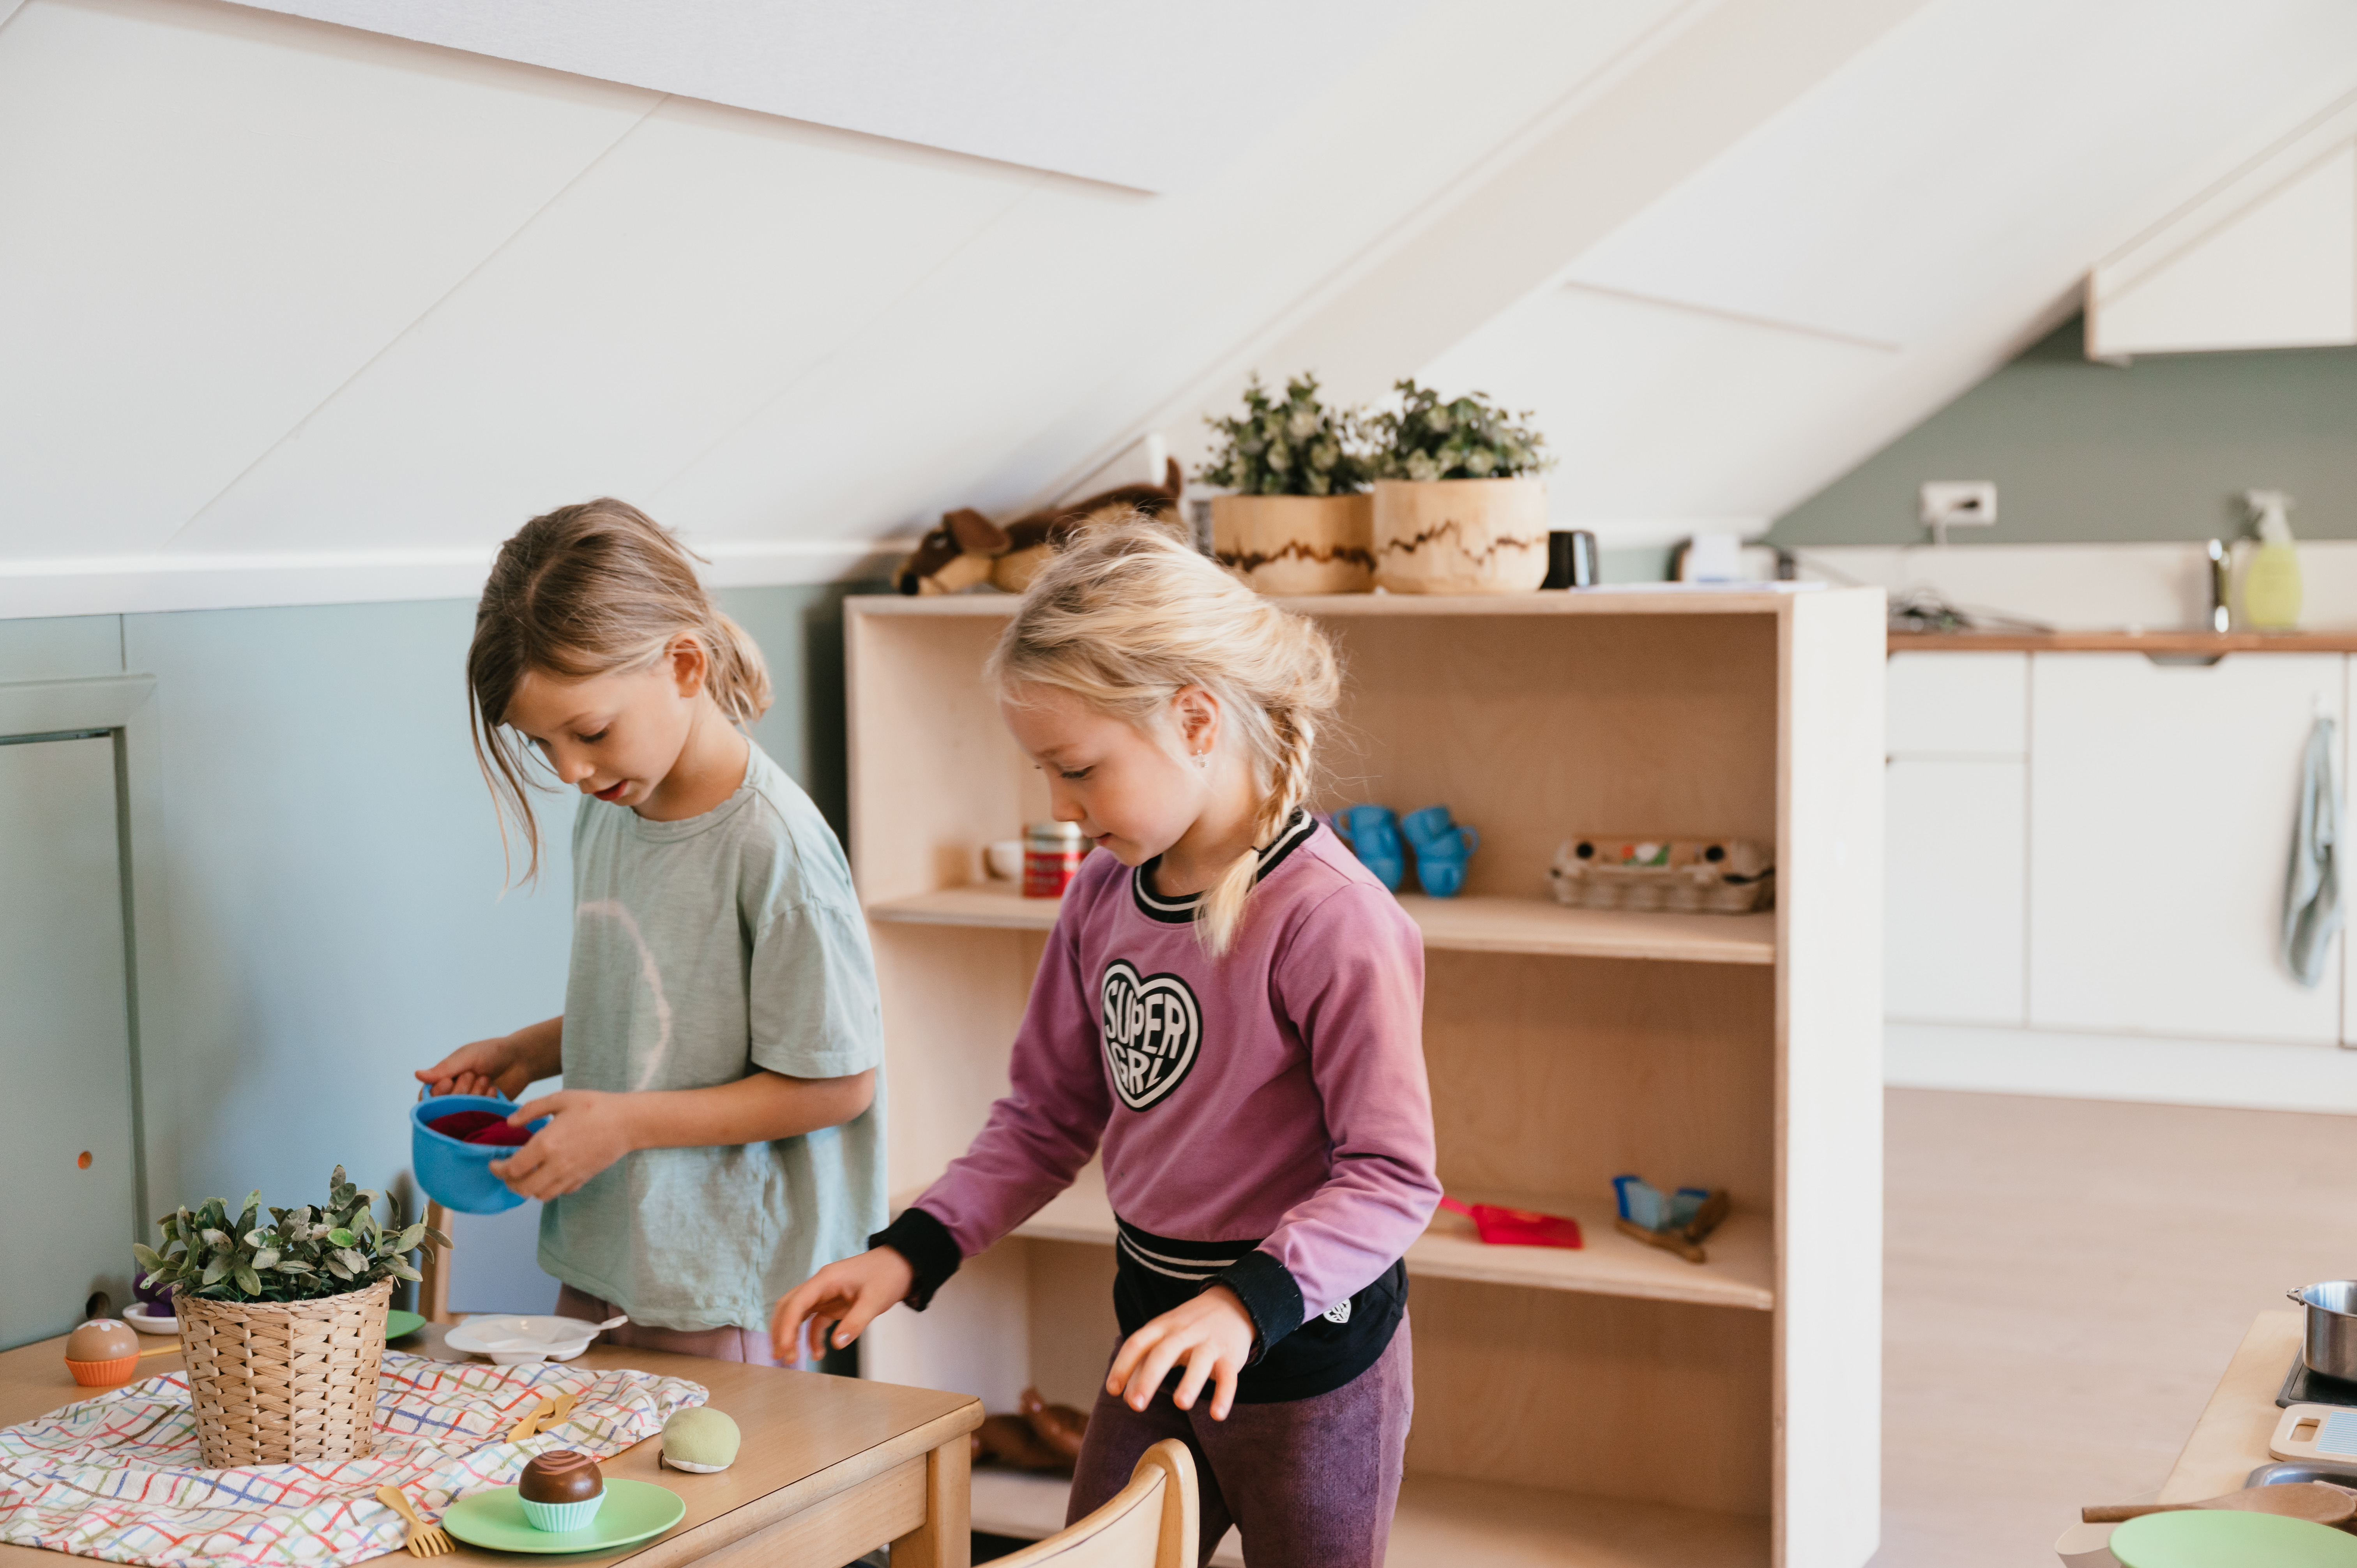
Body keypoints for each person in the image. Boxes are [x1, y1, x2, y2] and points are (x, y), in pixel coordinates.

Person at [773, 523, 1438, 1566]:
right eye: (1045, 772)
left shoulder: (1331, 920)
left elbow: (1392, 1182)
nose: (1059, 809)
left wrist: (1241, 1307)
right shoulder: (1102, 896)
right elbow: (1044, 1119)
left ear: (1196, 720)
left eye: (1077, 768)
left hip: (1308, 1368)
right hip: (1154, 1348)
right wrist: (914, 1250)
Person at [417, 498, 884, 1365]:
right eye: (541, 745)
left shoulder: (772, 846)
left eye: (588, 731)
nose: (570, 770)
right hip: (607, 1255)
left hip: (725, 1284)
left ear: (682, 663)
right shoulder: (614, 806)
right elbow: (669, 1011)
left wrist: (624, 1125)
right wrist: (527, 1051)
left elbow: (837, 1082)